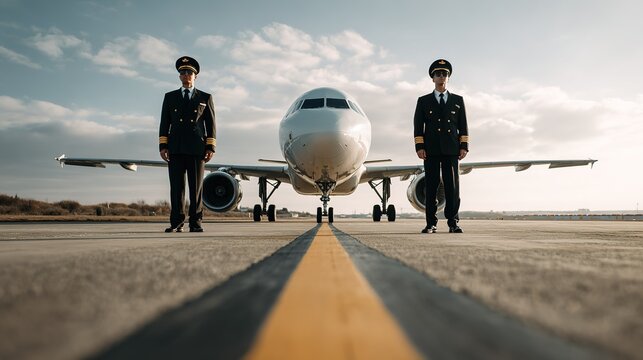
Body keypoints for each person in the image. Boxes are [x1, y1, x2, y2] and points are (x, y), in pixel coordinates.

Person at [159, 56, 216, 233]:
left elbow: (211, 125)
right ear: (179, 76)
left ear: (195, 76)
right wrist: (163, 146)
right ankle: (176, 222)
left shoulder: (205, 97)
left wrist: (210, 147)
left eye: (189, 72)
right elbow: (164, 123)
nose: (186, 75)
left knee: (196, 189)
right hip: (175, 148)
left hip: (196, 149)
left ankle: (196, 223)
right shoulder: (170, 97)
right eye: (183, 72)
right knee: (177, 188)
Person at [413, 59, 469, 234]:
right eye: (438, 74)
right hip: (430, 150)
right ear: (432, 78)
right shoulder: (423, 101)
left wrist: (464, 146)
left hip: (452, 150)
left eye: (444, 74)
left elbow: (463, 125)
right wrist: (419, 147)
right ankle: (431, 223)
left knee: (452, 187)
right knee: (431, 186)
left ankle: (453, 222)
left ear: (448, 77)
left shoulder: (458, 101)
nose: (441, 76)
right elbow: (418, 126)